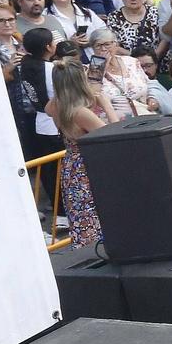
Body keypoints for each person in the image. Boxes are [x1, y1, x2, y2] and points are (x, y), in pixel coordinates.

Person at [45, 57, 111, 247]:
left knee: (80, 214)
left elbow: (48, 108)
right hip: (88, 166)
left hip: (71, 165)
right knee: (94, 214)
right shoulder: (80, 113)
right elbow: (110, 133)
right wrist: (104, 103)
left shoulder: (55, 106)